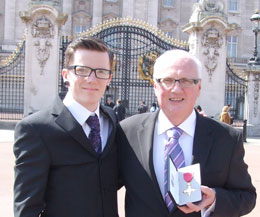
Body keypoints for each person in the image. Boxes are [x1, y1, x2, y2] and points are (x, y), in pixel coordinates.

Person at [116, 50, 256, 217]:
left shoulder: (227, 138)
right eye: (167, 80)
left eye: (186, 81)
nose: (176, 89)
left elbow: (246, 197)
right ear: (155, 86)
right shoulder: (127, 132)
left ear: (199, 87)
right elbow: (103, 187)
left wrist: (214, 200)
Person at [13, 37, 119, 217]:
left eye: (100, 71)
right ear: (65, 75)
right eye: (82, 70)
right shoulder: (36, 129)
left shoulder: (111, 120)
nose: (91, 79)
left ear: (109, 78)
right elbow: (27, 207)